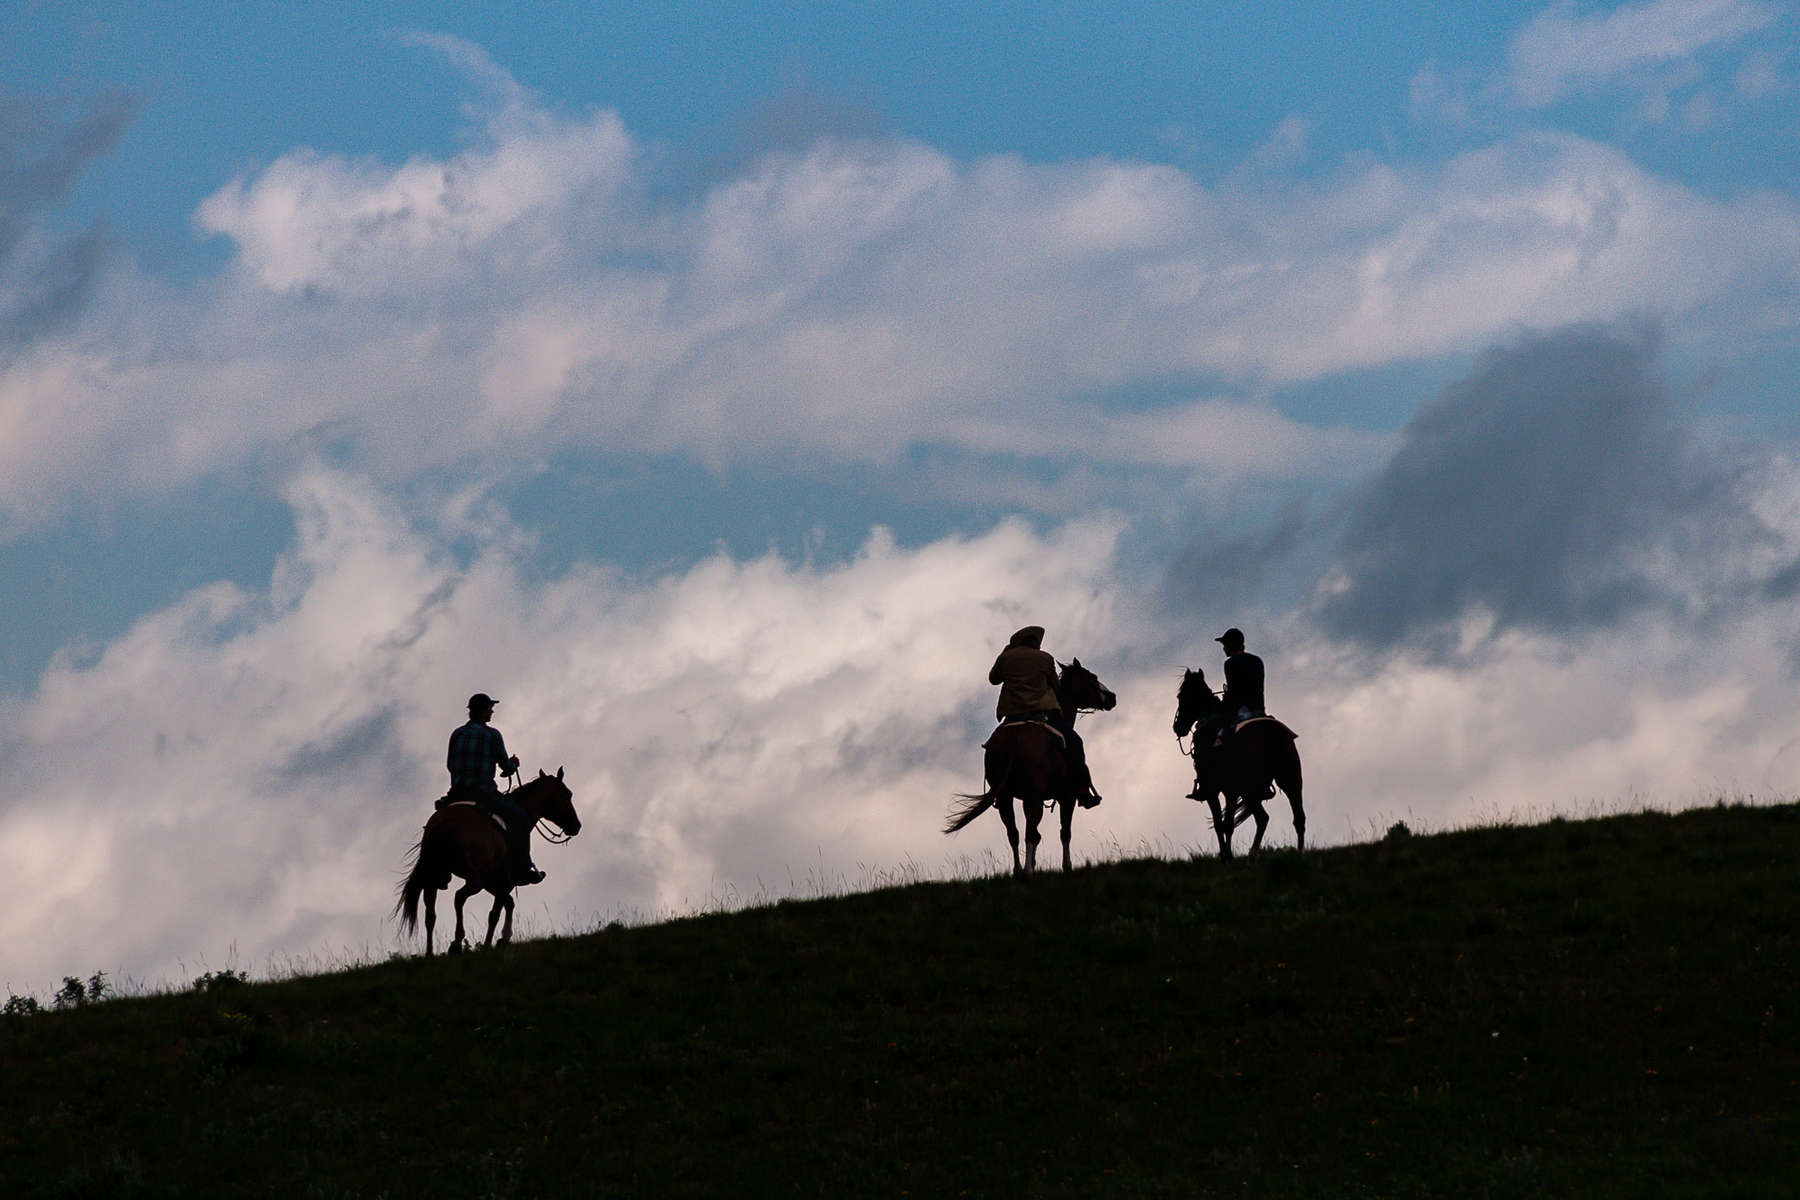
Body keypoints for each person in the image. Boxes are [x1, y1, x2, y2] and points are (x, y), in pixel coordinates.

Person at [988, 625, 1101, 805]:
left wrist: (1004, 653)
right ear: (1035, 643)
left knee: (993, 746)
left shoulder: (1005, 658)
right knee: (1075, 743)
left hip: (1011, 716)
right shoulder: (1044, 658)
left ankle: (997, 791)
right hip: (1039, 715)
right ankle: (1083, 792)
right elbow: (1056, 688)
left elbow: (993, 679)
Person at [446, 692, 544, 886]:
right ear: (482, 712)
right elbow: (506, 767)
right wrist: (514, 764)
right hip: (483, 793)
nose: (492, 712)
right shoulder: (492, 735)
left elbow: (450, 764)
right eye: (490, 708)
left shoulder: (457, 733)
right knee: (521, 819)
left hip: (456, 793)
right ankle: (523, 869)